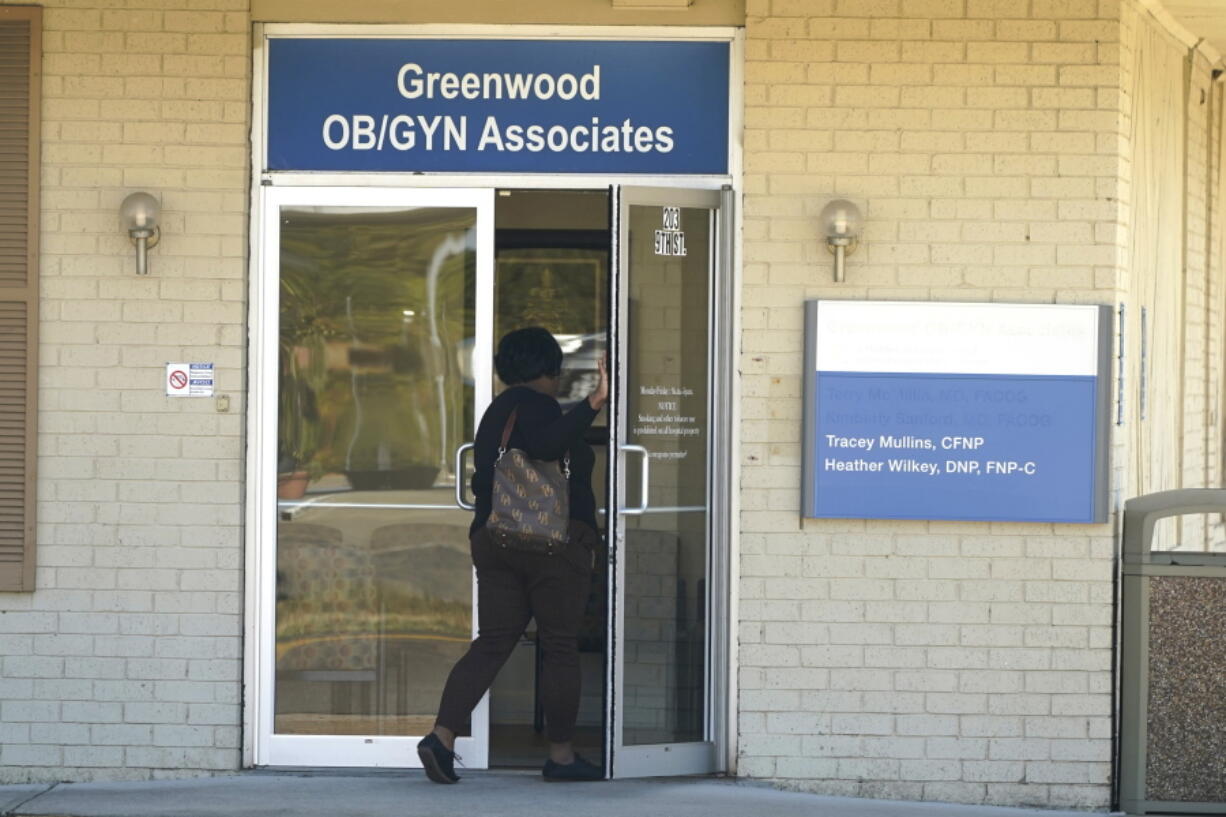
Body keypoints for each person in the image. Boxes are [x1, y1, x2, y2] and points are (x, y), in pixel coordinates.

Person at [417, 326, 608, 784]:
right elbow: (546, 446)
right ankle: (561, 756)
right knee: (559, 645)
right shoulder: (540, 405)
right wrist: (594, 402)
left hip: (496, 541)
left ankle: (441, 736)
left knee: (494, 640)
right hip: (552, 546)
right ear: (551, 368)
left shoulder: (497, 412)